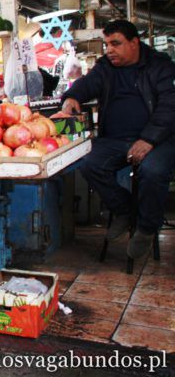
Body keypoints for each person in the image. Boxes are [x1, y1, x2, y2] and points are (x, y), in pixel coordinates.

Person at [60, 20, 175, 259]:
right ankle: (125, 210)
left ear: (134, 43)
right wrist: (71, 98)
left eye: (115, 43)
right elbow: (87, 84)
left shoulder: (160, 66)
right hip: (115, 139)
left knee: (153, 172)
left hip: (157, 140)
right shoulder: (106, 67)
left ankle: (146, 227)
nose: (109, 49)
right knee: (88, 162)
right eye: (106, 44)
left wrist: (148, 139)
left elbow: (169, 107)